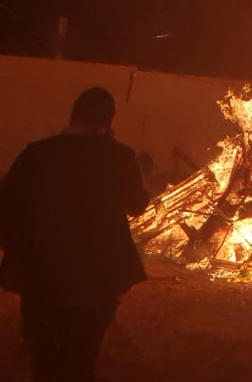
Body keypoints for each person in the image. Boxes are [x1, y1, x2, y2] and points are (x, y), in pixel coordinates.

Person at [0, 86, 150, 381]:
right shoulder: (118, 156)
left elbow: (5, 208)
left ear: (73, 115)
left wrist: (18, 252)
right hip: (96, 278)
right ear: (108, 121)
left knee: (43, 359)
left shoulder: (36, 154)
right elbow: (138, 205)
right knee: (82, 357)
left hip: (41, 277)